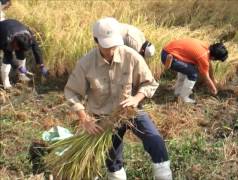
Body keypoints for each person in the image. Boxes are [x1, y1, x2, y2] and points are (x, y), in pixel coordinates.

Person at [64, 18, 172, 180]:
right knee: (112, 159)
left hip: (130, 111)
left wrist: (136, 98)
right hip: (105, 118)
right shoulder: (86, 63)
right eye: (107, 46)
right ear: (96, 41)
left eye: (114, 44)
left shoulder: (131, 56)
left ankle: (164, 175)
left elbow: (149, 83)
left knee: (156, 141)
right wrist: (85, 119)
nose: (112, 50)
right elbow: (71, 92)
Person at [161, 38, 228, 103]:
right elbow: (206, 77)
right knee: (193, 74)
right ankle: (184, 97)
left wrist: (213, 79)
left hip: (166, 51)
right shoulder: (203, 56)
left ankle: (178, 91)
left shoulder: (205, 46)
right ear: (214, 57)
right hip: (169, 57)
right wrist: (214, 89)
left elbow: (209, 65)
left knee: (187, 69)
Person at [0, 19, 48, 89]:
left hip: (14, 28)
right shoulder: (7, 39)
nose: (17, 50)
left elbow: (36, 49)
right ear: (14, 42)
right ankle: (6, 83)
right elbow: (9, 57)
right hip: (3, 31)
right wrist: (18, 67)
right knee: (7, 60)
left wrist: (41, 65)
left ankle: (22, 76)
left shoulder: (29, 37)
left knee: (21, 54)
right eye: (17, 47)